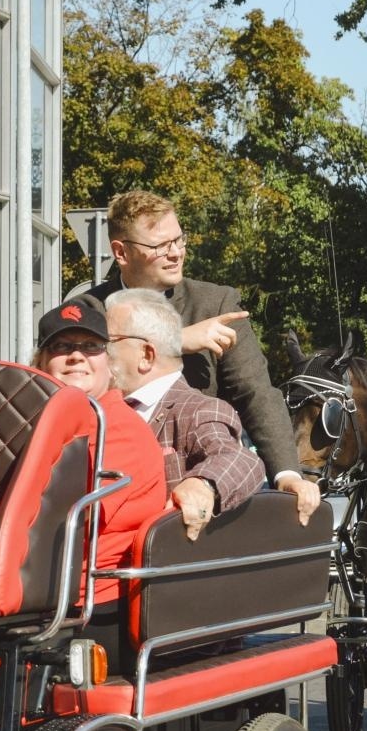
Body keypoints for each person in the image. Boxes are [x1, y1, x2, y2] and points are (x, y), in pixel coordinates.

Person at [84, 190, 319, 525]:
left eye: (179, 239)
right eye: (159, 246)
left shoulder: (216, 303)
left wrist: (287, 473)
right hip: (111, 487)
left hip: (202, 491)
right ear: (121, 252)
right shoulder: (89, 310)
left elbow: (256, 394)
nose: (176, 253)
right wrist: (177, 340)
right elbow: (82, 381)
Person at [31, 297, 169, 615]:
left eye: (91, 346)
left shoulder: (117, 427)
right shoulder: (41, 420)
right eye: (61, 346)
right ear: (40, 363)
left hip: (90, 602)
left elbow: (70, 520)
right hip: (41, 587)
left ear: (109, 363)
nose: (76, 356)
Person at [104, 288, 266, 541]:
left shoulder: (197, 411)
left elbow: (239, 459)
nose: (97, 354)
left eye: (107, 342)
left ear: (146, 355)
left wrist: (203, 484)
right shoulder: (100, 408)